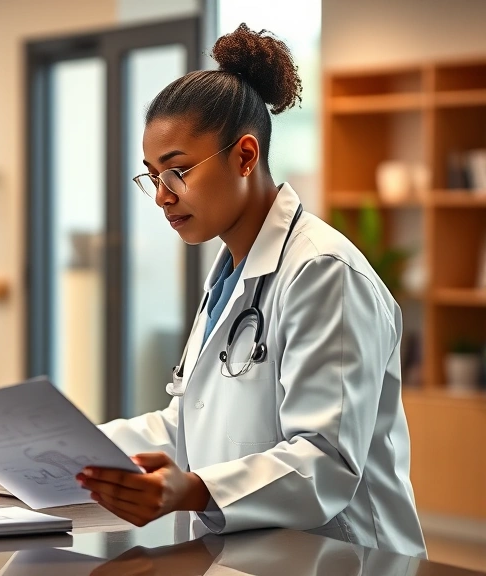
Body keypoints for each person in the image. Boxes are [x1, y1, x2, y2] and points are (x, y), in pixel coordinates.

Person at [77, 24, 426, 558]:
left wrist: (191, 490)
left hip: (349, 560)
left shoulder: (324, 273)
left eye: (177, 172)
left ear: (244, 156)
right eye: (151, 177)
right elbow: (188, 425)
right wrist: (70, 452)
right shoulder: (229, 277)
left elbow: (325, 464)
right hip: (254, 558)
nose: (162, 198)